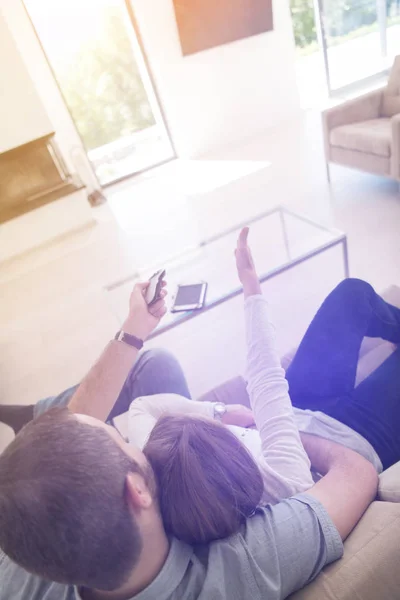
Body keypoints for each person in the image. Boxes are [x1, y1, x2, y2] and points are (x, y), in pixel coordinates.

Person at [0, 243, 378, 599]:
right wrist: (270, 428)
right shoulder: (242, 566)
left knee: (155, 363)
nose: (132, 440)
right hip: (338, 435)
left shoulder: (26, 549)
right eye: (122, 440)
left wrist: (135, 327)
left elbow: (78, 425)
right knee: (352, 300)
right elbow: (356, 473)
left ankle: (34, 414)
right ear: (137, 490)